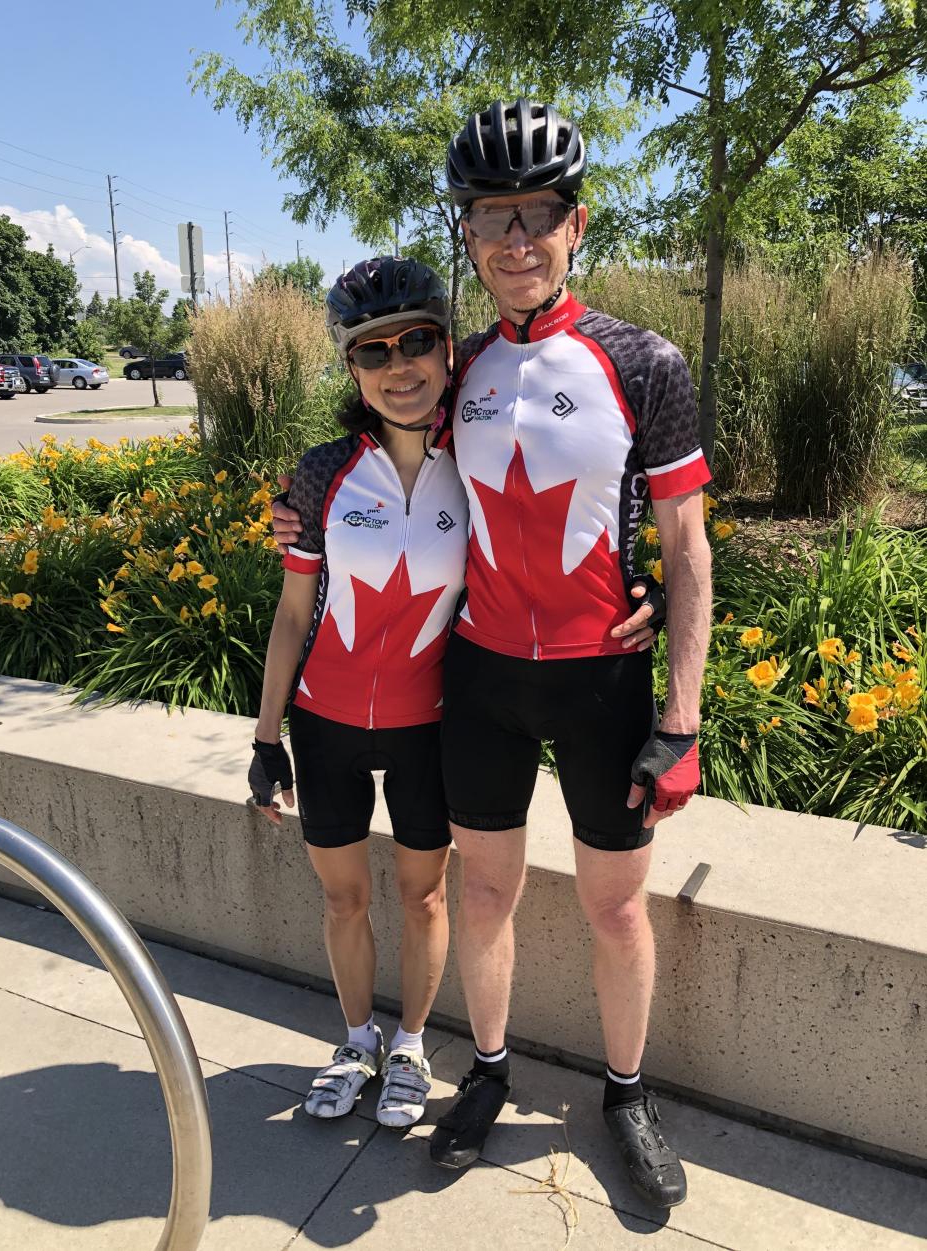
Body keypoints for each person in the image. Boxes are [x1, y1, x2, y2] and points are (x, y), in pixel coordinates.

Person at [272, 98, 709, 1209]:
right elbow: (377, 424)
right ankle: (491, 1070)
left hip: (600, 679)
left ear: (574, 222)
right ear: (464, 235)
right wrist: (299, 509)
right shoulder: (452, 363)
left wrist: (682, 715)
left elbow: (686, 545)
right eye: (489, 217)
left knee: (614, 909)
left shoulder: (639, 361)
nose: (514, 238)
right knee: (483, 901)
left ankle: (624, 1093)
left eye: (535, 214)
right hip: (478, 683)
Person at [249, 256, 468, 1129]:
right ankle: (355, 1038)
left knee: (424, 897)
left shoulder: (480, 463)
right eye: (373, 350)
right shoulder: (320, 473)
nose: (399, 364)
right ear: (350, 369)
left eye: (417, 340)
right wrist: (267, 737)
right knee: (343, 897)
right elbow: (293, 609)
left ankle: (409, 1044)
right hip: (327, 721)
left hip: (431, 727)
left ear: (448, 349)